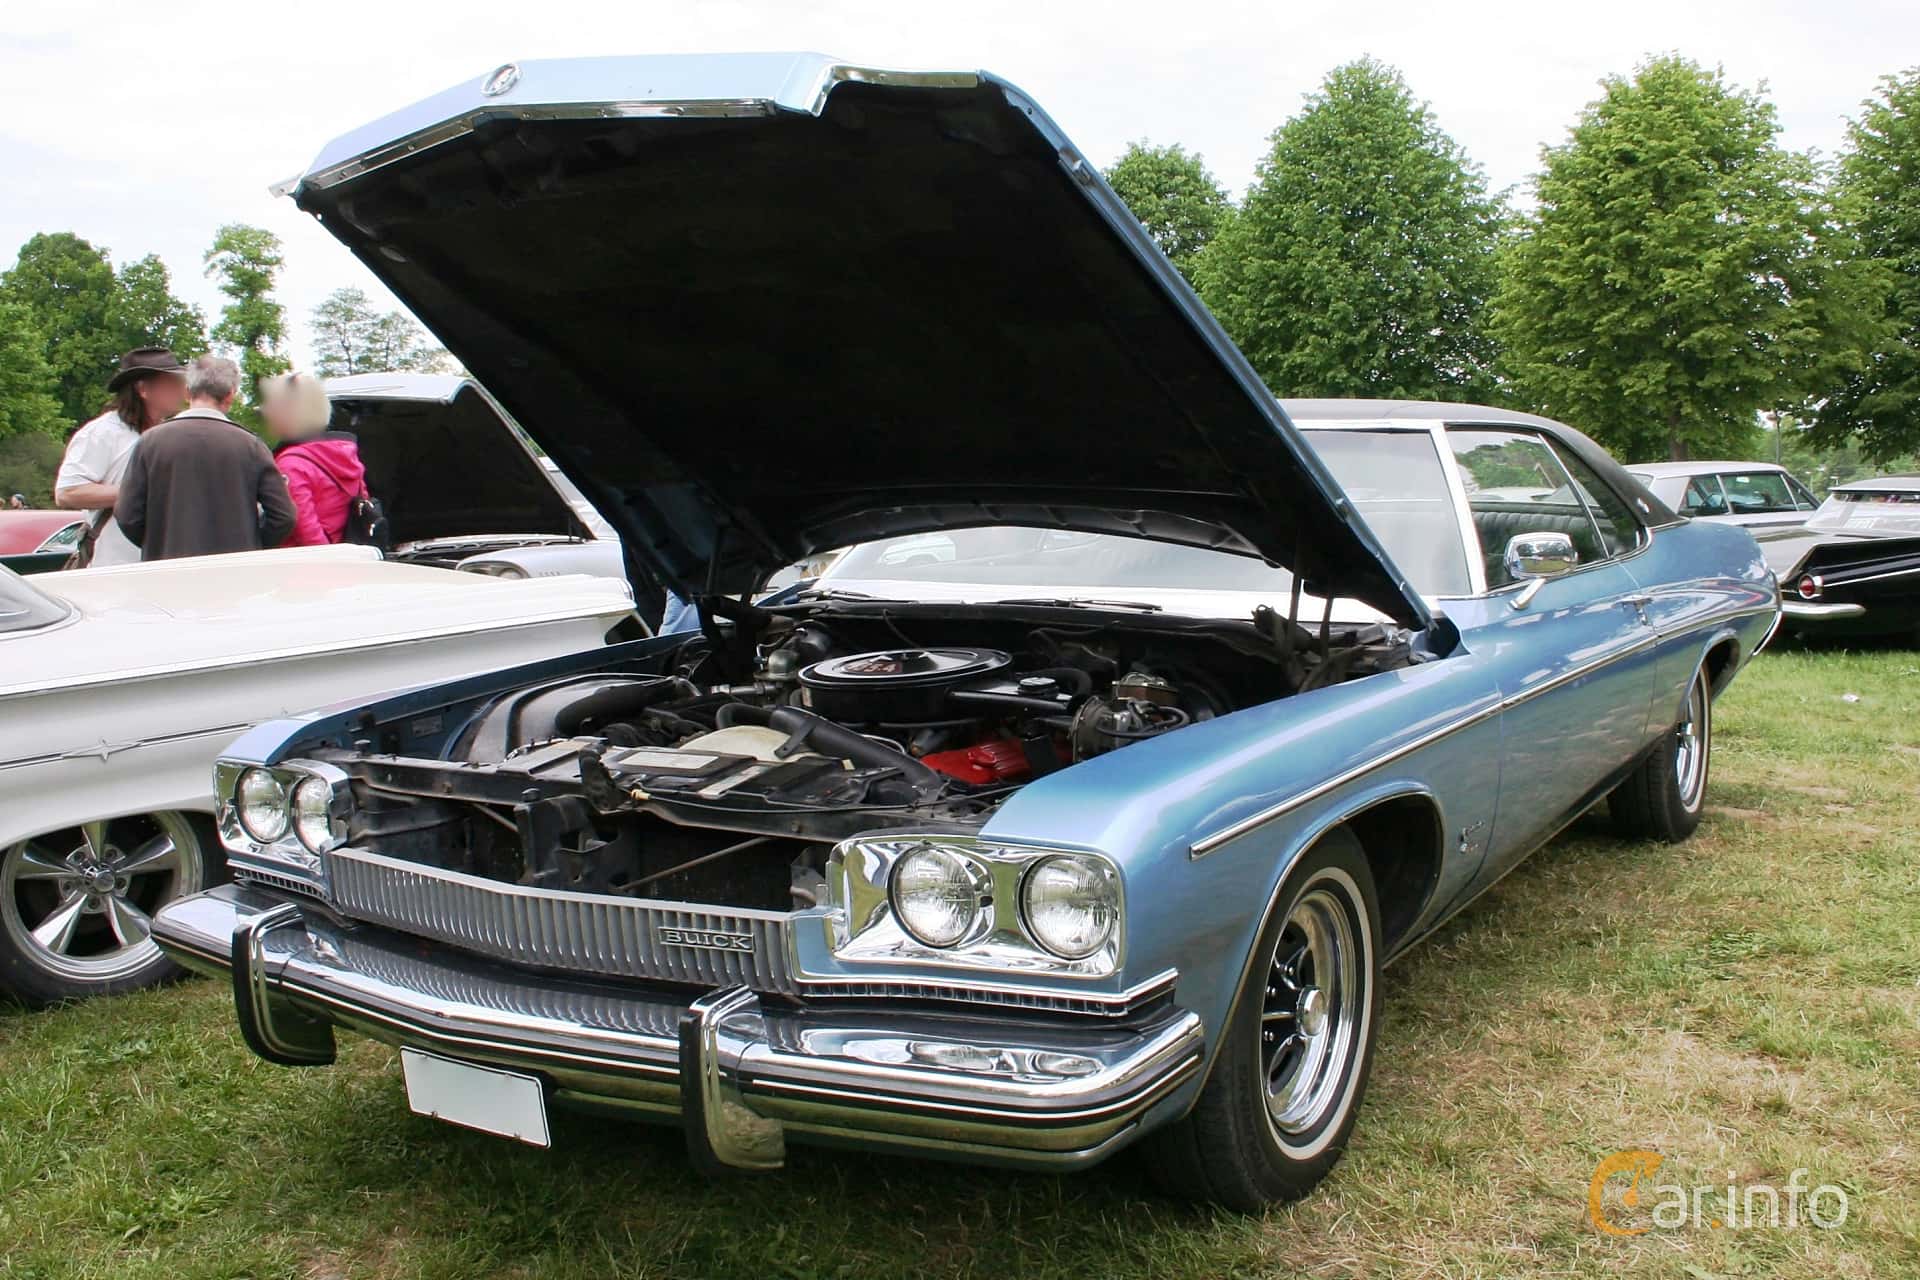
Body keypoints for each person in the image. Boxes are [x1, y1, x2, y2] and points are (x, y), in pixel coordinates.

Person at [114, 355, 296, 560]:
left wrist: (158, 542)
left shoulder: (150, 442)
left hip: (167, 571)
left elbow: (127, 515)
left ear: (187, 392)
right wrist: (251, 544)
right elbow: (283, 516)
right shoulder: (250, 446)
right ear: (230, 394)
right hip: (233, 573)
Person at [54, 348, 189, 566]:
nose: (182, 391)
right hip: (112, 568)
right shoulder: (103, 432)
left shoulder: (168, 434)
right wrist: (143, 492)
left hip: (156, 566)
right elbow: (68, 492)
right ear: (143, 389)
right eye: (172, 383)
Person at [262, 372, 365, 545]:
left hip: (305, 566)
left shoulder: (292, 465)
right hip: (344, 556)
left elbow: (307, 532)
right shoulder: (345, 454)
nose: (266, 413)